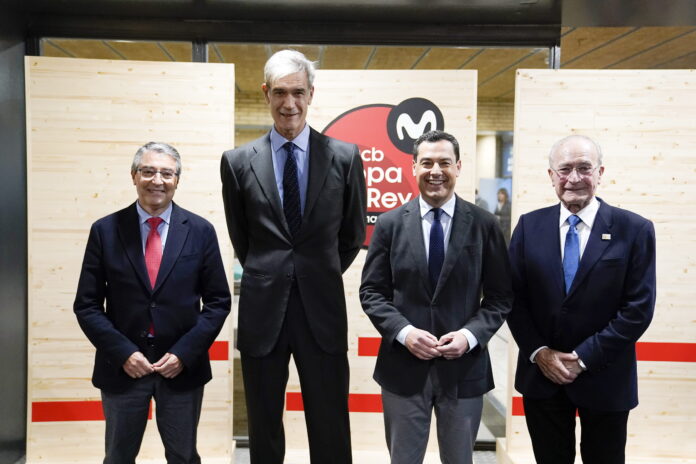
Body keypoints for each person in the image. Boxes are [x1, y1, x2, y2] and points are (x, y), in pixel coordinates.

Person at [220, 49, 367, 464]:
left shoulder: (344, 156)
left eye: (298, 92)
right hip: (262, 311)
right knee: (264, 425)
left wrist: (315, 273)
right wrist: (273, 273)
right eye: (280, 93)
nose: (289, 104)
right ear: (265, 93)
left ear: (311, 94)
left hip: (321, 310)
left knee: (330, 422)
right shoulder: (236, 163)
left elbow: (353, 234)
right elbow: (242, 238)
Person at [360, 130, 513, 464]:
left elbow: (501, 297)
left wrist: (470, 336)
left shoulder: (484, 225)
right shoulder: (389, 224)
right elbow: (372, 292)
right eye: (426, 162)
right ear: (413, 167)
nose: (436, 170)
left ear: (458, 167)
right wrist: (405, 333)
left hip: (464, 369)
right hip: (402, 368)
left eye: (444, 162)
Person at [74, 142, 231, 463]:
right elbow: (87, 304)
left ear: (177, 180)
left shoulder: (201, 231)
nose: (157, 180)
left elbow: (218, 301)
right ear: (134, 176)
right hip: (123, 368)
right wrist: (123, 353)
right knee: (118, 456)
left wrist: (184, 354)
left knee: (183, 455)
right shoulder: (105, 231)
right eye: (148, 171)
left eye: (166, 173)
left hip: (181, 369)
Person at [507, 134, 656, 464]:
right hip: (542, 377)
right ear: (551, 176)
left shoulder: (634, 229)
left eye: (584, 168)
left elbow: (638, 308)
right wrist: (539, 352)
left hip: (605, 376)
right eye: (564, 169)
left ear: (600, 173)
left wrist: (583, 357)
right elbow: (513, 298)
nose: (574, 178)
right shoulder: (529, 227)